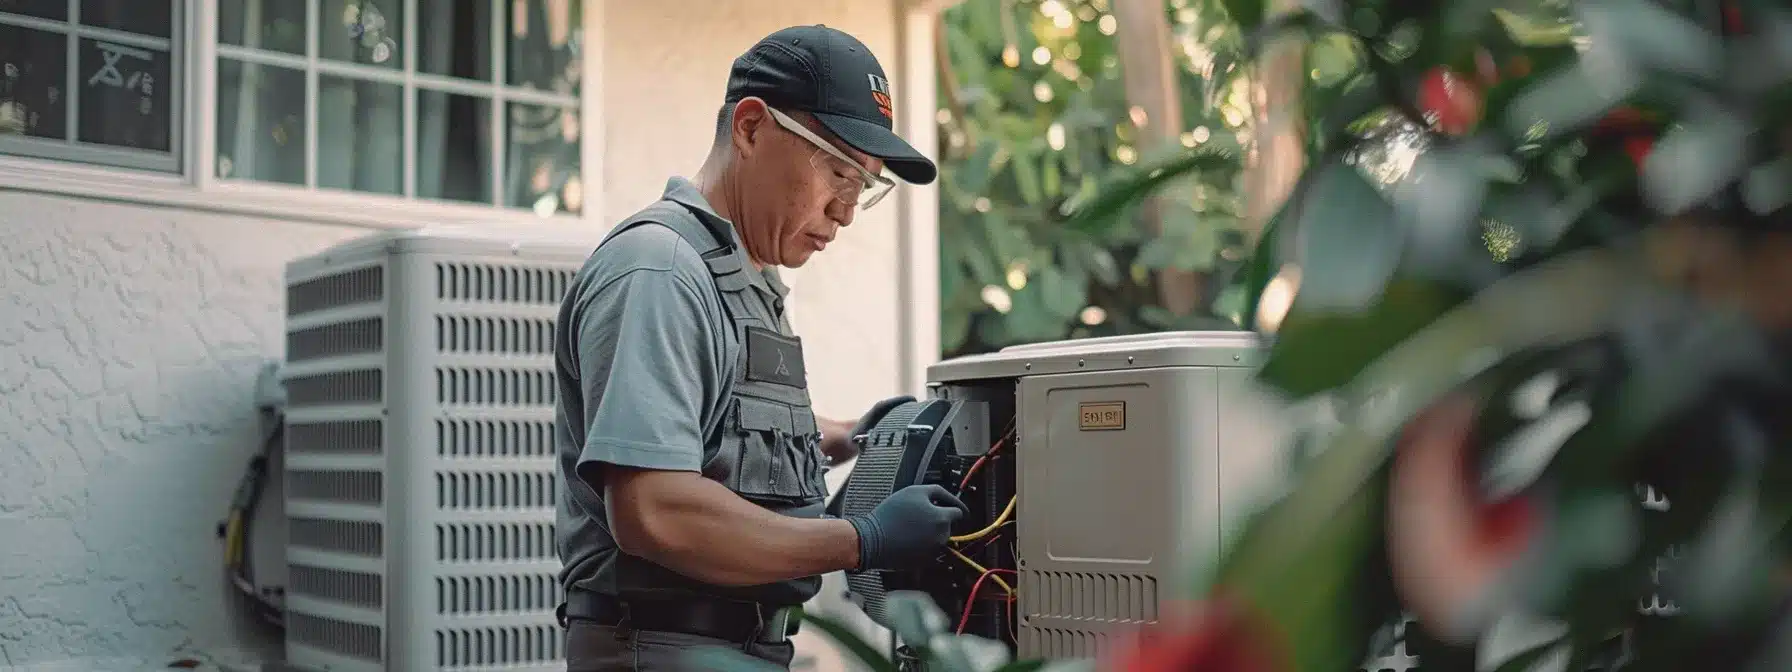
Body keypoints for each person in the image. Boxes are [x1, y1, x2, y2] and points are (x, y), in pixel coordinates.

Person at [553, 24, 969, 671]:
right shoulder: (659, 269)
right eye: (839, 172)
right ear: (751, 128)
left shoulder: (744, 277)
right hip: (664, 648)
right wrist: (864, 539)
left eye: (865, 187)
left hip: (739, 644)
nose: (846, 211)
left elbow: (716, 432)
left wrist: (838, 435)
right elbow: (655, 509)